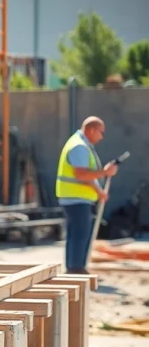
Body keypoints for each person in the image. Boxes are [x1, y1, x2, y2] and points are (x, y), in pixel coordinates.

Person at [55, 116, 117, 274]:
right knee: (81, 234)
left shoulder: (80, 144)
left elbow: (86, 175)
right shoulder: (79, 147)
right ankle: (76, 269)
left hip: (75, 197)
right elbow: (81, 175)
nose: (102, 136)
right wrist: (105, 172)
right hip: (76, 198)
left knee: (76, 233)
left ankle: (74, 267)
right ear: (91, 130)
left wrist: (99, 192)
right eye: (100, 132)